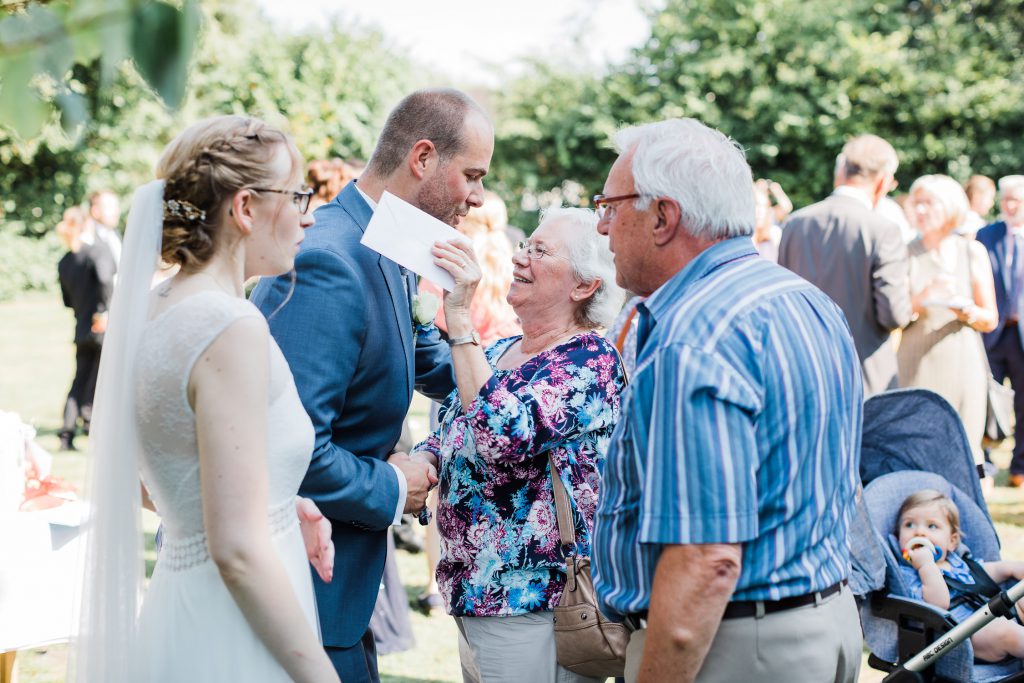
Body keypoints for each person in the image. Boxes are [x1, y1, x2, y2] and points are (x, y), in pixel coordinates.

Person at [592, 118, 863, 683]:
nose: (603, 228)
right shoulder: (805, 299)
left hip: (736, 643)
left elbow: (706, 558)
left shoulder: (693, 335)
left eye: (610, 206)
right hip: (825, 620)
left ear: (663, 216)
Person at [72, 115, 339, 683]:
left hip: (181, 606)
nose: (308, 213)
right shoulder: (228, 326)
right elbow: (237, 551)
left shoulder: (151, 308)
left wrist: (273, 502)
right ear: (245, 208)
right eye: (297, 195)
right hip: (231, 628)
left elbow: (162, 479)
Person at [250, 87, 493, 682]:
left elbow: (430, 360)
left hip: (347, 591)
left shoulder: (390, 247)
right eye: (472, 175)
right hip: (302, 594)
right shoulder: (328, 260)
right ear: (423, 157)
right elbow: (284, 450)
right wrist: (391, 483)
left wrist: (556, 365)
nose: (480, 197)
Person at [412, 207, 625, 683]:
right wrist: (421, 459)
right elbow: (451, 426)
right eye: (526, 243)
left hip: (534, 603)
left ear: (583, 286)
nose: (519, 256)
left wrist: (460, 317)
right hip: (474, 594)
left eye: (540, 251)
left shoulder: (590, 363)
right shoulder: (497, 349)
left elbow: (499, 436)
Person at [416, 190, 522, 615]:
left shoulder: (455, 260)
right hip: (502, 380)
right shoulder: (509, 260)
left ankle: (433, 580)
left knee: (444, 485)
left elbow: (434, 316)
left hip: (459, 373)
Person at [778, 134, 912, 397]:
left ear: (841, 171)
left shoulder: (795, 223)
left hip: (803, 372)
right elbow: (893, 315)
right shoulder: (883, 230)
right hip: (863, 376)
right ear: (883, 181)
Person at [898, 175, 997, 465]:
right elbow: (893, 316)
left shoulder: (972, 252)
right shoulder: (903, 254)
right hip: (916, 362)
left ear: (951, 206)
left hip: (963, 362)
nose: (920, 210)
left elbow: (990, 318)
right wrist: (922, 298)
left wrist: (968, 311)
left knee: (964, 449)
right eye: (916, 203)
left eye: (929, 203)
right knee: (917, 447)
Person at [897, 489, 1024, 661]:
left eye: (931, 526)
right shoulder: (909, 574)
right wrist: (926, 565)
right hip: (963, 636)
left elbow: (983, 575)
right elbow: (939, 603)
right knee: (1005, 631)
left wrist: (1011, 568)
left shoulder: (957, 561)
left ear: (952, 541)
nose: (919, 532)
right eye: (909, 525)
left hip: (992, 613)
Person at [56, 206, 116, 451]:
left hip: (81, 325)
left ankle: (67, 432)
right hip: (100, 323)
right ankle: (91, 425)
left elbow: (67, 300)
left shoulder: (65, 261)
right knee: (98, 379)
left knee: (80, 379)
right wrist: (103, 311)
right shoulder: (97, 252)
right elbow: (105, 279)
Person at [977, 175, 1024, 486]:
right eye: (1005, 200)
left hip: (1020, 333)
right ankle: (988, 463)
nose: (1009, 206)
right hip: (992, 332)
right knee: (987, 399)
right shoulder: (986, 234)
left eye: (1016, 201)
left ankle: (1020, 466)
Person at [88, 189, 124, 264]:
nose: (116, 211)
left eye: (116, 206)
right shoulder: (89, 240)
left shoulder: (116, 234)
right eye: (110, 207)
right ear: (95, 211)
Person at [751, 180, 783, 262]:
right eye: (755, 205)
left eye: (763, 206)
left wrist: (775, 189)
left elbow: (786, 207)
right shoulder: (742, 240)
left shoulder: (774, 233)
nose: (760, 211)